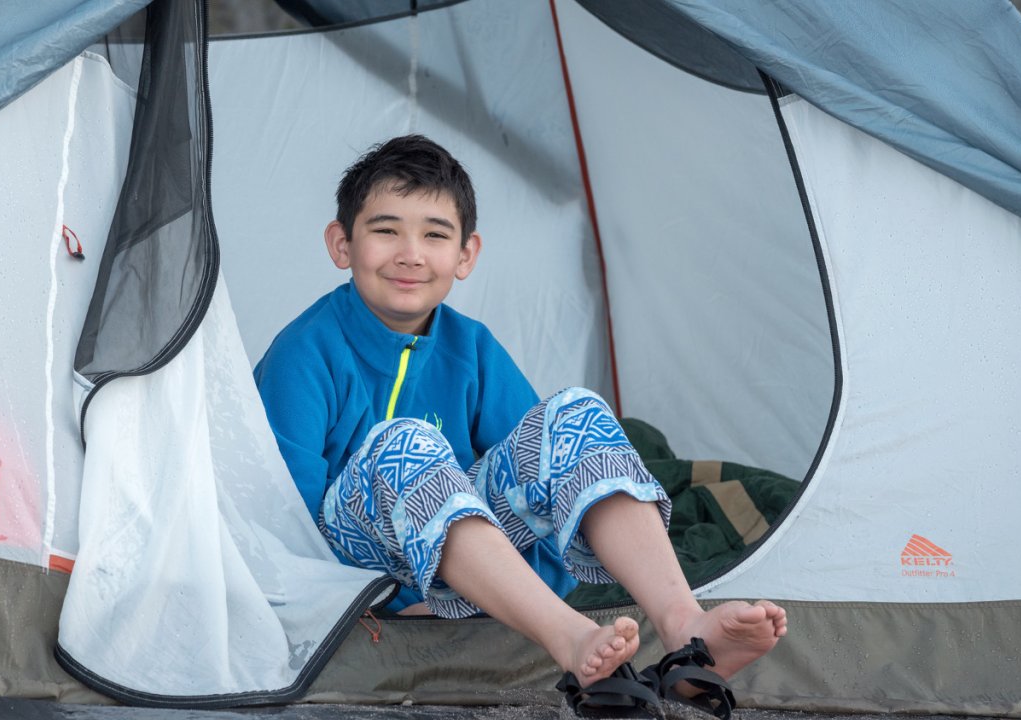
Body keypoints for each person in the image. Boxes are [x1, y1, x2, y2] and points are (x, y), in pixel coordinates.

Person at [253, 134, 785, 699]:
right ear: (342, 245)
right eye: (386, 231)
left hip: (452, 567)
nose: (411, 253)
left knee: (575, 411)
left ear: (465, 255)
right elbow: (285, 528)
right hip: (352, 569)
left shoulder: (470, 346)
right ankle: (570, 637)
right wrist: (397, 601)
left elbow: (546, 478)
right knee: (402, 443)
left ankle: (686, 628)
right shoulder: (304, 352)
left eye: (435, 235)